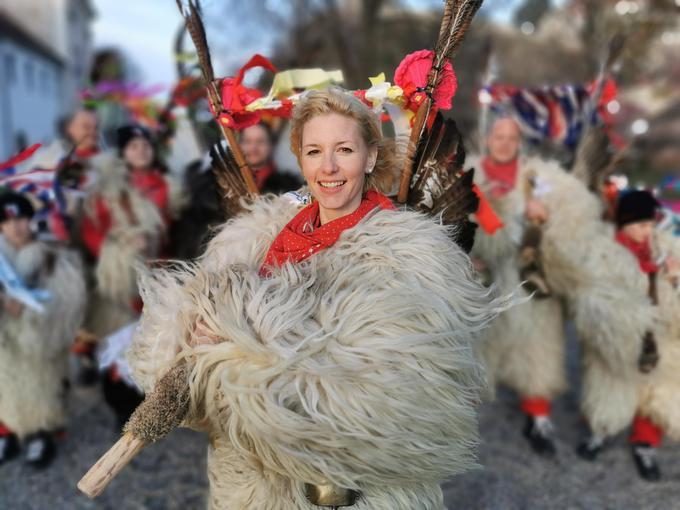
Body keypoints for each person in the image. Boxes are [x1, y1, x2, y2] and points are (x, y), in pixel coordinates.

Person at [128, 89, 510, 509]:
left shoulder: (409, 253)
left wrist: (237, 349)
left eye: (344, 149)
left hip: (354, 494)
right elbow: (181, 351)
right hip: (252, 487)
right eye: (314, 151)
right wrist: (191, 339)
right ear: (301, 160)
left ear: (369, 158)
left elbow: (392, 394)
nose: (328, 167)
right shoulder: (253, 241)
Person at [579, 190, 680, 480]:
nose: (645, 231)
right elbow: (593, 295)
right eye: (638, 225)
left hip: (662, 339)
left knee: (657, 392)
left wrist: (674, 277)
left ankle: (645, 442)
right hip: (619, 339)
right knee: (608, 386)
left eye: (650, 224)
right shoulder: (604, 253)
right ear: (623, 223)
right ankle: (601, 429)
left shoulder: (668, 250)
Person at [0, 192, 86, 467]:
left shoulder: (50, 254)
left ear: (31, 220)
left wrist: (29, 311)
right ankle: (9, 432)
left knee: (41, 387)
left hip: (38, 338)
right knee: (7, 388)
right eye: (7, 222)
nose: (16, 227)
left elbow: (69, 297)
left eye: (22, 219)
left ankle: (40, 434)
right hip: (5, 340)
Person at [239, 121, 302, 194]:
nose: (253, 148)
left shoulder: (289, 185)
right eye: (247, 141)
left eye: (260, 141)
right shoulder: (230, 181)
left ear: (271, 145)